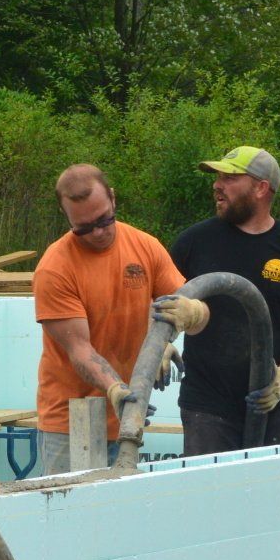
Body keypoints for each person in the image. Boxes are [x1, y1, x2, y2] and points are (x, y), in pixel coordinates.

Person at [165, 146, 280, 451]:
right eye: (217, 177)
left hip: (272, 407)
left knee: (271, 496)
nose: (217, 185)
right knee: (208, 495)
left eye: (230, 178)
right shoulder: (194, 241)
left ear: (260, 188)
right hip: (206, 405)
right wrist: (162, 341)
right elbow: (162, 301)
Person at [31, 164, 187, 476]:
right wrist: (114, 388)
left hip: (128, 416)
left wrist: (163, 341)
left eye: (104, 220)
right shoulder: (55, 268)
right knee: (71, 516)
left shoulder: (144, 246)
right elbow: (79, 349)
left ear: (113, 199)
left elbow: (180, 305)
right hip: (69, 425)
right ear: (68, 218)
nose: (98, 232)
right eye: (84, 228)